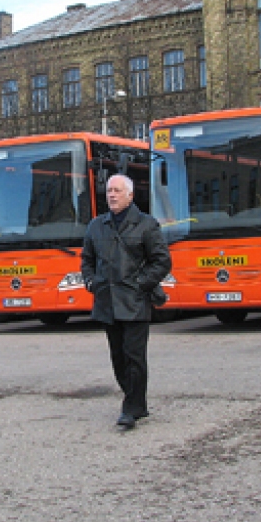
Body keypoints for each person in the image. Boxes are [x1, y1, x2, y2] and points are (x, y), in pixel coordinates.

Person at [81, 174, 171, 429]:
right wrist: (91, 282)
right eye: (109, 190)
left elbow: (162, 262)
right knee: (118, 358)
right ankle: (137, 403)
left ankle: (130, 408)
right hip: (107, 303)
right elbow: (87, 260)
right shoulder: (96, 226)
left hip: (135, 302)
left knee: (134, 357)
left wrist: (141, 285)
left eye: (117, 191)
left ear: (130, 195)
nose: (111, 195)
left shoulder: (146, 225)